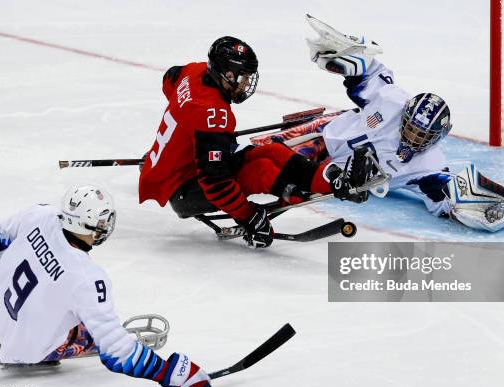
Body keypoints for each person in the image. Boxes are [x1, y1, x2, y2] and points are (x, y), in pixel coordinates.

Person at [260, 15, 504, 232]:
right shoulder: (392, 99)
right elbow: (366, 69)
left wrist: (465, 208)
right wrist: (342, 57)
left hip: (336, 173)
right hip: (326, 132)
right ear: (405, 111)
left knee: (279, 174)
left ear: (438, 137)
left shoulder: (429, 165)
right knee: (260, 150)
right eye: (411, 128)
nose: (413, 138)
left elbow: (443, 190)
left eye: (422, 136)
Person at [138, 36, 375, 248]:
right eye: (243, 78)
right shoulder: (212, 115)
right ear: (227, 75)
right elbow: (215, 183)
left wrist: (172, 151)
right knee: (260, 170)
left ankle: (332, 180)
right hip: (184, 193)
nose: (246, 84)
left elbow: (170, 77)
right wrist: (249, 217)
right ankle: (295, 187)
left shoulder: (194, 72)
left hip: (183, 170)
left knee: (271, 151)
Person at [0, 185, 211, 387]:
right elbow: (116, 352)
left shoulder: (41, 215)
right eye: (102, 222)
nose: (105, 226)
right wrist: (170, 373)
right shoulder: (87, 278)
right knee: (94, 329)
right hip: (27, 351)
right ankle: (47, 346)